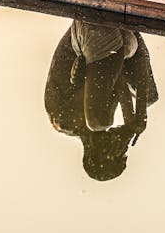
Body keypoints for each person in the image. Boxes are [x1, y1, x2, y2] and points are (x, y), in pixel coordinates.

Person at [44, 19, 158, 181]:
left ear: (97, 153)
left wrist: (131, 125)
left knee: (98, 122)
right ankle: (130, 30)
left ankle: (124, 30)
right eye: (123, 152)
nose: (121, 148)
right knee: (149, 97)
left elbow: (106, 77)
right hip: (120, 46)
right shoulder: (100, 122)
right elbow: (118, 80)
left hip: (91, 32)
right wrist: (136, 118)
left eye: (117, 153)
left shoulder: (65, 121)